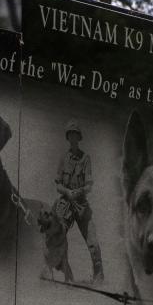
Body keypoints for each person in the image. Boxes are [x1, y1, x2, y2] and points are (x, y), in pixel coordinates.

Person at [54, 121, 104, 283]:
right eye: (70, 135)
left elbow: (89, 185)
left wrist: (79, 191)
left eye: (75, 134)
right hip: (66, 203)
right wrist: (68, 192)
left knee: (93, 242)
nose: (73, 137)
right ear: (68, 137)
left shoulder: (85, 158)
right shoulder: (63, 158)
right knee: (55, 235)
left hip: (81, 204)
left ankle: (98, 276)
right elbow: (58, 185)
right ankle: (63, 270)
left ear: (79, 137)